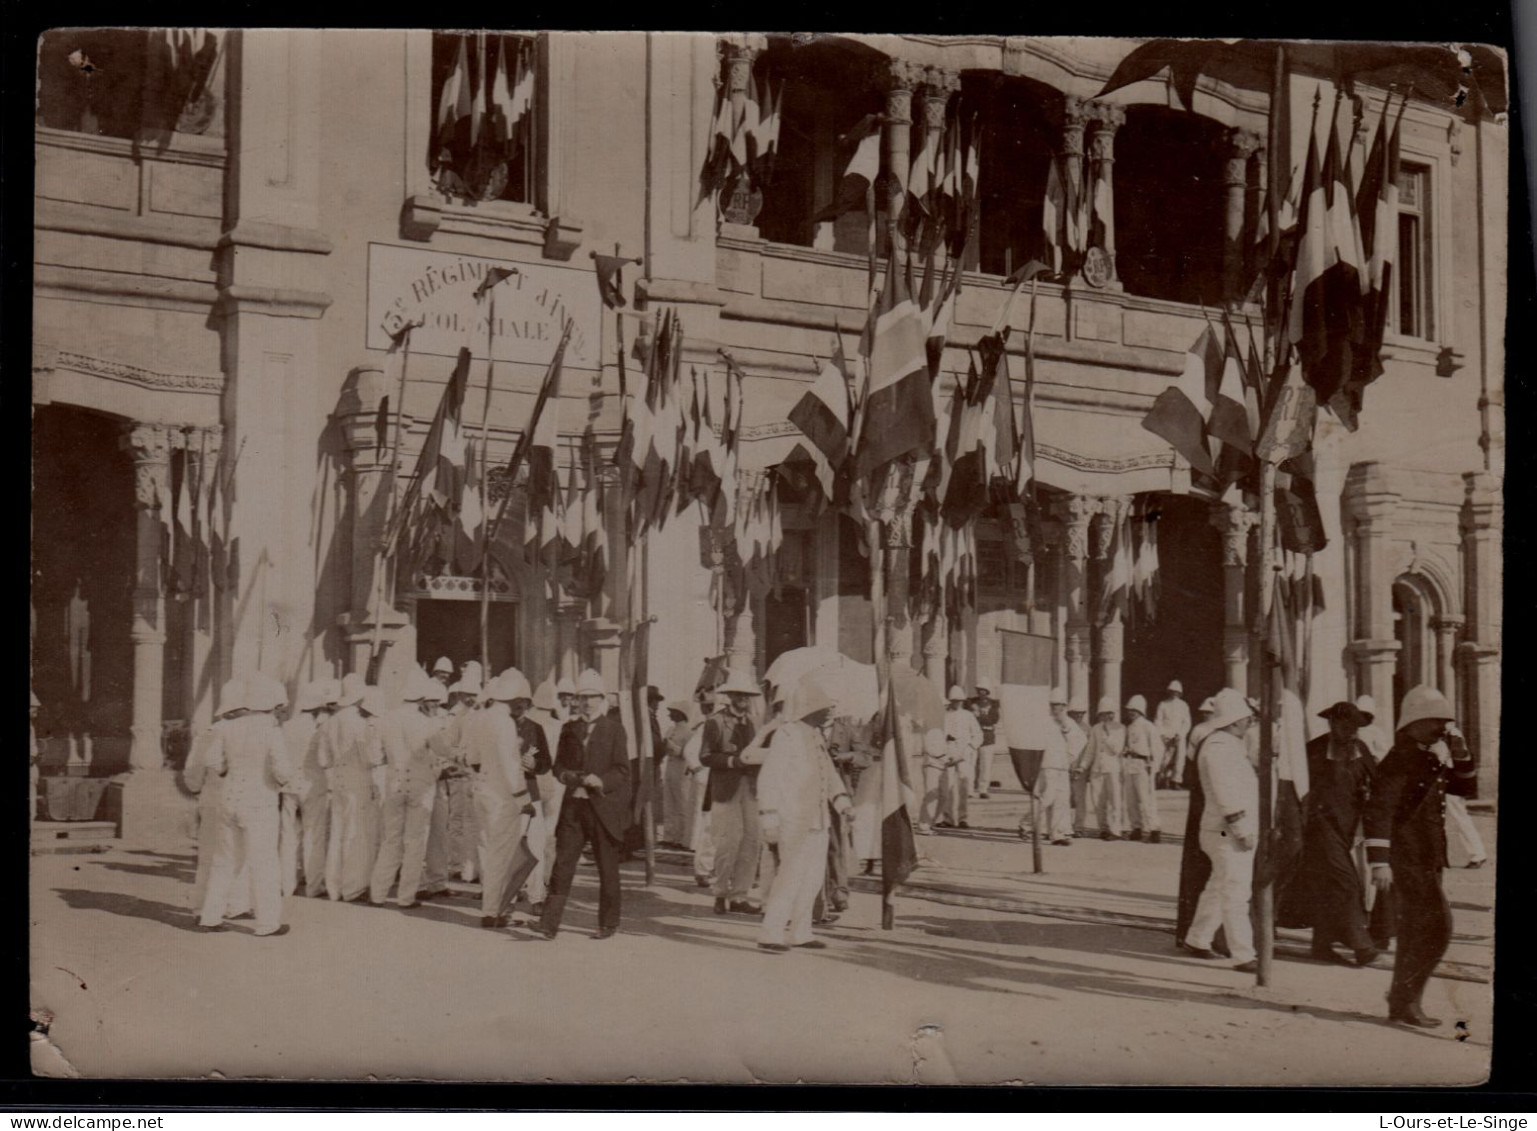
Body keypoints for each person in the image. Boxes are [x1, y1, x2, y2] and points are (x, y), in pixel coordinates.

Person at [1364, 685, 1478, 1028]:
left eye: (1443, 723)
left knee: (1415, 930)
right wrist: (1379, 860)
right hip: (1408, 856)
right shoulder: (1400, 759)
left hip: (1428, 856)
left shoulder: (1427, 755)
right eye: (1434, 723)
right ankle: (1405, 999)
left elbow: (1464, 788)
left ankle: (1403, 1002)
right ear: (1412, 724)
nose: (1441, 729)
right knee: (1437, 928)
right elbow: (1379, 809)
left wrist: (1461, 754)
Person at [756, 680, 854, 952]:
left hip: (818, 820)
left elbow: (829, 774)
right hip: (793, 819)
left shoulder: (815, 736)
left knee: (811, 879)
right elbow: (769, 778)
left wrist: (842, 802)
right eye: (825, 707)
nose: (829, 712)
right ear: (810, 708)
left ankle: (800, 931)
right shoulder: (786, 736)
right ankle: (771, 932)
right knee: (789, 876)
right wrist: (769, 817)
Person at [534, 669, 631, 940]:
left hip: (602, 807)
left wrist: (601, 781)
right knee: (563, 863)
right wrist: (568, 776)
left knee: (607, 866)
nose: (587, 702)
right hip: (574, 808)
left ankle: (608, 923)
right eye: (582, 698)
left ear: (602, 699)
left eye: (592, 697)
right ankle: (548, 924)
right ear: (576, 700)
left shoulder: (614, 729)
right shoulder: (569, 728)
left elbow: (622, 770)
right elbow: (558, 766)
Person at [1282, 701, 1379, 967]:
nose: (1350, 731)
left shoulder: (1361, 750)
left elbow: (1375, 782)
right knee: (1346, 883)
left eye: (1355, 726)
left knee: (1325, 887)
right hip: (1319, 829)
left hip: (1347, 830)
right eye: (1345, 725)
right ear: (1332, 724)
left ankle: (1321, 945)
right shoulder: (1314, 750)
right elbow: (1294, 788)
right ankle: (1361, 944)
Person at [197, 674, 295, 937]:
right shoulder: (271, 729)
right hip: (259, 801)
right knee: (264, 862)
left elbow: (212, 760)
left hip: (228, 798)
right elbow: (282, 768)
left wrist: (227, 772)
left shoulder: (228, 727)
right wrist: (283, 782)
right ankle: (267, 923)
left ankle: (210, 916)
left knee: (224, 860)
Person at [1182, 688, 1259, 972]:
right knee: (1236, 890)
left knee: (1218, 886)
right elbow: (1225, 792)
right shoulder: (1219, 748)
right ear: (1235, 720)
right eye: (1246, 719)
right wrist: (1241, 828)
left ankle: (1198, 938)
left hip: (1222, 829)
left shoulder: (1225, 744)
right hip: (1225, 830)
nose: (1249, 723)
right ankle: (1243, 954)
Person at [469, 669, 548, 928]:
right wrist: (523, 799)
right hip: (502, 798)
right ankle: (493, 912)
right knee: (500, 856)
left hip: (482, 791)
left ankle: (495, 908)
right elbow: (511, 766)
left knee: (490, 852)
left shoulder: (480, 718)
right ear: (515, 699)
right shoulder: (504, 723)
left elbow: (473, 759)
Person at [369, 668, 447, 908]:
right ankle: (406, 897)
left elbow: (374, 756)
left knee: (391, 839)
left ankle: (378, 893)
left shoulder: (385, 720)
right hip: (421, 784)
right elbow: (443, 750)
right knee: (415, 841)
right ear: (423, 698)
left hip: (394, 781)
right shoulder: (426, 722)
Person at [184, 679, 253, 923]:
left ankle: (205, 906)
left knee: (212, 855)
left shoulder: (209, 733)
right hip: (242, 799)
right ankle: (234, 904)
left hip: (213, 798)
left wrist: (199, 789)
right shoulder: (250, 732)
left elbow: (192, 773)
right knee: (238, 853)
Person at [700, 670, 765, 915]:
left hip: (751, 788)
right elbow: (705, 756)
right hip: (726, 788)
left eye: (746, 696)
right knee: (728, 843)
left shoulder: (755, 723)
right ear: (730, 696)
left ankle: (740, 894)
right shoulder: (715, 722)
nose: (743, 700)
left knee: (751, 841)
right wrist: (731, 761)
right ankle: (720, 893)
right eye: (738, 695)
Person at [318, 674, 382, 903]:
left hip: (338, 779)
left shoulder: (328, 723)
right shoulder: (359, 723)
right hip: (358, 780)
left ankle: (333, 885)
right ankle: (353, 886)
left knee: (337, 832)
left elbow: (323, 759)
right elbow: (370, 758)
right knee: (357, 833)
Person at [1175, 696, 1222, 949]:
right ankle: (1203, 936)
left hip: (1206, 817)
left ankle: (1199, 934)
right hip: (1216, 821)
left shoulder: (1212, 738)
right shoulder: (1213, 740)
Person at [279, 681, 330, 899]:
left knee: (289, 835)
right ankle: (313, 885)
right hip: (312, 785)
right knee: (314, 835)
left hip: (290, 785)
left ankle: (286, 884)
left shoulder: (286, 727)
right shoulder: (319, 730)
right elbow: (324, 759)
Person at [1031, 689, 1080, 846]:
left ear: (1064, 706)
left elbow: (1079, 741)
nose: (1056, 708)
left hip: (1062, 766)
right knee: (1047, 797)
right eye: (1053, 705)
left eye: (1059, 705)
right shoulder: (1044, 721)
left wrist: (1070, 758)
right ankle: (1027, 824)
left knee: (1061, 801)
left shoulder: (1069, 722)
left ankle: (1057, 834)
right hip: (1048, 765)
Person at [682, 688, 718, 890]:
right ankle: (703, 870)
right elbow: (690, 750)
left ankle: (714, 868)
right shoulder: (707, 726)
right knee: (708, 826)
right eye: (707, 707)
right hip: (709, 779)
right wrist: (698, 771)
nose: (709, 710)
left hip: (725, 781)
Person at [1076, 696, 1126, 840]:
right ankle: (1103, 828)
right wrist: (1082, 766)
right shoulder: (1095, 729)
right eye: (1103, 714)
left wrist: (1108, 735)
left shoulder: (1120, 728)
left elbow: (1117, 749)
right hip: (1097, 769)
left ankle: (1116, 830)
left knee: (1115, 800)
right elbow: (1090, 750)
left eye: (1108, 713)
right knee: (1098, 801)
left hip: (1113, 769)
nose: (1106, 716)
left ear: (1113, 713)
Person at [1122, 694, 1162, 843]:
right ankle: (1136, 828)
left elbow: (1157, 748)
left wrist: (1154, 767)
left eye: (1134, 710)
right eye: (1129, 710)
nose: (1131, 712)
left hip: (1143, 763)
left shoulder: (1148, 726)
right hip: (1130, 762)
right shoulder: (1129, 727)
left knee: (1147, 799)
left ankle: (1154, 829)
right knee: (1131, 799)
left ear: (1140, 711)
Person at [939, 686, 982, 829]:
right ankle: (948, 818)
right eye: (954, 700)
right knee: (948, 787)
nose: (956, 703)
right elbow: (939, 735)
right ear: (950, 701)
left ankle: (963, 817)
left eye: (959, 701)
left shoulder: (968, 715)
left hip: (964, 754)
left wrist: (970, 748)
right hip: (949, 753)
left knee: (964, 786)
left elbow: (978, 735)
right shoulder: (944, 716)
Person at [660, 701, 695, 850]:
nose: (670, 714)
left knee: (681, 803)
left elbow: (688, 753)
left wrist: (671, 746)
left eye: (673, 711)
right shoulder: (670, 729)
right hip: (670, 766)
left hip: (681, 769)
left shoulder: (689, 732)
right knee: (668, 802)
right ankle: (669, 836)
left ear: (681, 713)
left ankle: (681, 837)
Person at [1155, 680, 1192, 789]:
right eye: (1172, 691)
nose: (1174, 693)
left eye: (1176, 691)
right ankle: (1162, 779)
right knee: (1164, 758)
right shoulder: (1163, 704)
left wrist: (1180, 734)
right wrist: (1162, 734)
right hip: (1165, 735)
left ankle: (1176, 780)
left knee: (1179, 759)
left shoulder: (1184, 705)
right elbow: (1158, 720)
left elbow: (1186, 722)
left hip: (1179, 735)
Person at [970, 684, 1002, 797]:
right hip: (973, 736)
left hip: (988, 737)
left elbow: (993, 720)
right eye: (979, 690)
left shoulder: (993, 704)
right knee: (971, 763)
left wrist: (978, 716)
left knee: (986, 764)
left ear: (987, 691)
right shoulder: (970, 702)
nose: (981, 693)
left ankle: (983, 789)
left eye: (984, 690)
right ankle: (969, 789)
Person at [1067, 699, 1091, 837]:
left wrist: (1083, 768)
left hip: (1080, 768)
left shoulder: (1088, 729)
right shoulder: (1065, 726)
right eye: (1075, 713)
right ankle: (1064, 826)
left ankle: (1079, 826)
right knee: (1064, 798)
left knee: (1080, 799)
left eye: (1081, 713)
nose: (1078, 716)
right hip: (1066, 766)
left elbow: (1089, 750)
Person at [1355, 695, 1392, 762]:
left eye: (1365, 715)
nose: (1362, 718)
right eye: (1360, 715)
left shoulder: (1376, 731)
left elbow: (1384, 751)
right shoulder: (1353, 730)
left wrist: (1376, 757)